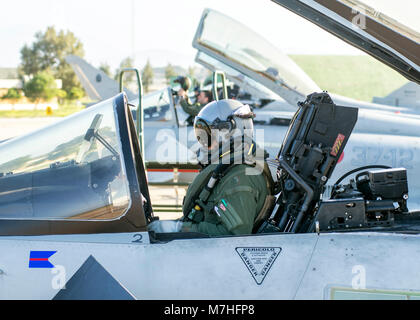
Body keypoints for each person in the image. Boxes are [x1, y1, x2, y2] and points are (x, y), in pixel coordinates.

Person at [148, 99, 273, 236]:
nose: (203, 144)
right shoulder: (229, 170)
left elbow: (234, 236)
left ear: (229, 133)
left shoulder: (238, 178)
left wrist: (179, 229)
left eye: (206, 137)